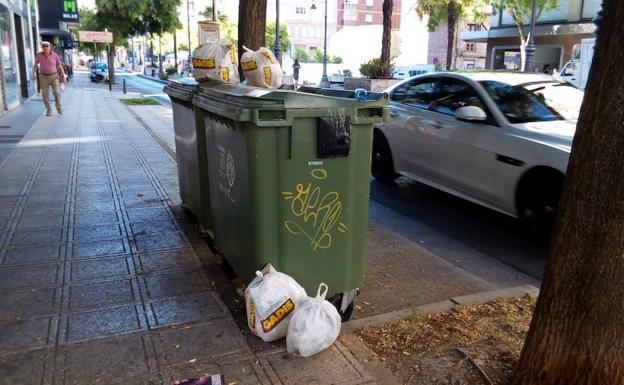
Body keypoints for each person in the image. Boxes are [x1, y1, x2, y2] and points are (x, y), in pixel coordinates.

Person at [32, 41, 66, 116]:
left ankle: (59, 108)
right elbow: (35, 65)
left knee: (56, 92)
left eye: (47, 46)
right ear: (41, 47)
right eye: (43, 46)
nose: (45, 48)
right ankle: (49, 110)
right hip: (43, 77)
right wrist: (33, 73)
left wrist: (63, 75)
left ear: (50, 47)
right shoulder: (39, 55)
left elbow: (59, 66)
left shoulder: (55, 55)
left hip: (54, 76)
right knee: (44, 94)